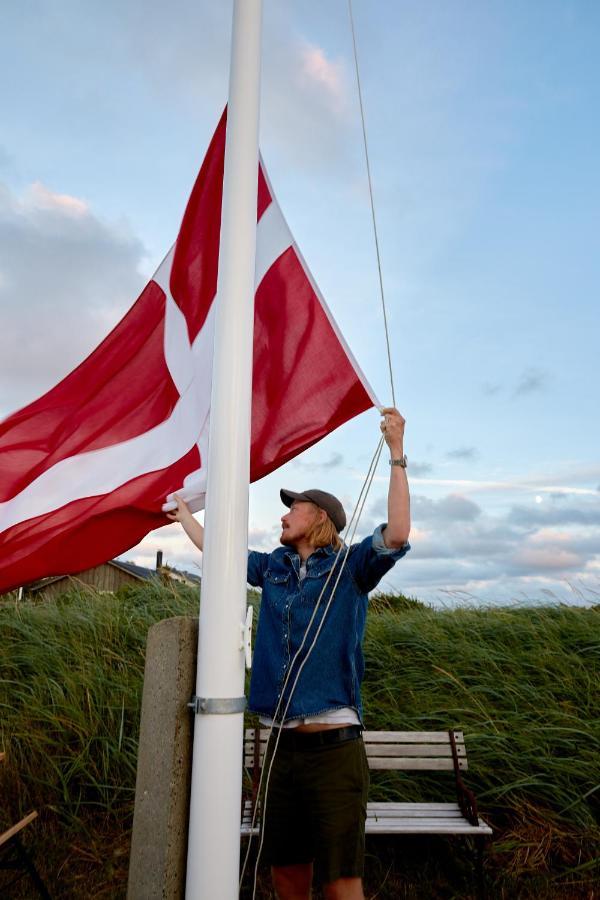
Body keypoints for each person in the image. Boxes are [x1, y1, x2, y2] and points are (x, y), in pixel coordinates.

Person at [168, 407, 411, 900]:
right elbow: (221, 555)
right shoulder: (275, 568)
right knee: (285, 875)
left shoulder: (349, 569)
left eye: (292, 508)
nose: (283, 514)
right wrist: (185, 516)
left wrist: (396, 453)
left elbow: (398, 536)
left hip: (334, 749)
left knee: (342, 881)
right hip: (278, 751)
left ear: (318, 518)